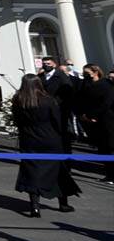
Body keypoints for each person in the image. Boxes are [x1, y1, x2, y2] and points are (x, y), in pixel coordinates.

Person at [12, 73, 80, 217]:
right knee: (58, 171)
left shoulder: (19, 100)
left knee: (32, 171)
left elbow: (17, 121)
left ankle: (35, 206)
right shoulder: (48, 100)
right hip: (50, 138)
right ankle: (63, 203)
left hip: (29, 138)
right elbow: (57, 121)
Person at [78, 64, 114, 183]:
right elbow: (82, 100)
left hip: (106, 119)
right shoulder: (85, 85)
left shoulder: (106, 84)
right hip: (92, 121)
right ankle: (109, 174)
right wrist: (84, 114)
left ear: (95, 72)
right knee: (102, 148)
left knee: (110, 147)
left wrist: (94, 116)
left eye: (87, 72)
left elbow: (107, 102)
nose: (85, 75)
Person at [40, 55, 76, 151]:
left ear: (54, 64)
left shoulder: (61, 76)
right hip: (45, 109)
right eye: (44, 64)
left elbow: (68, 92)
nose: (46, 65)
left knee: (62, 131)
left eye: (48, 63)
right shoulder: (40, 77)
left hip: (60, 109)